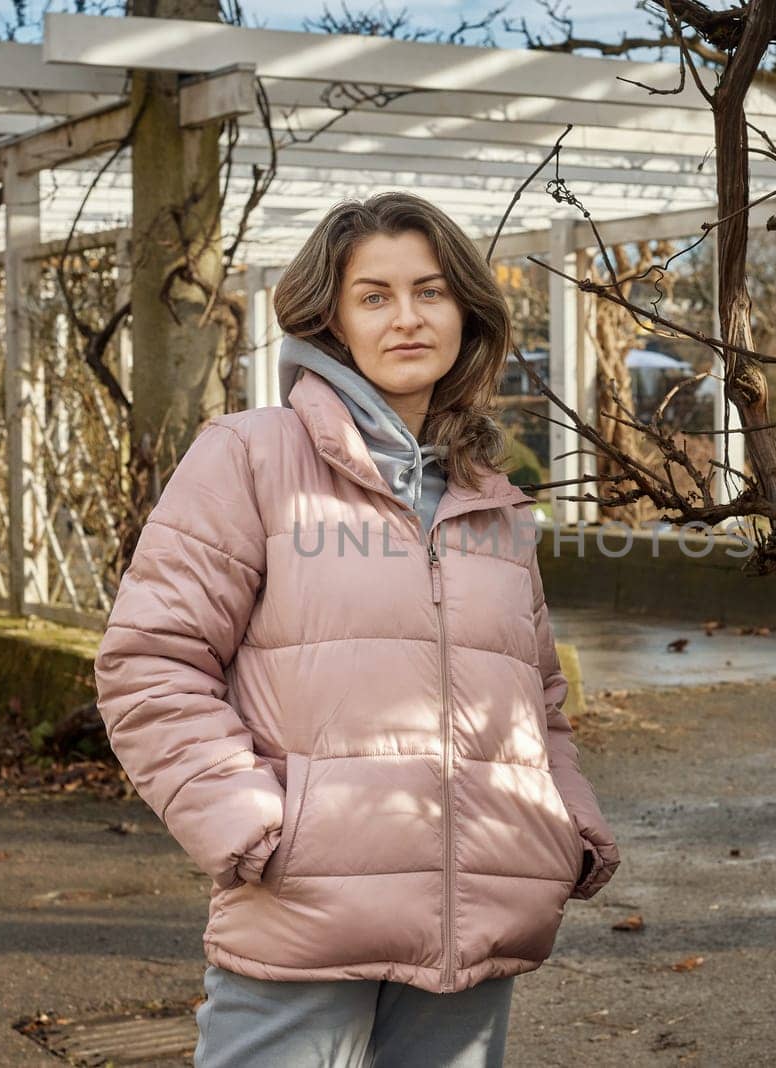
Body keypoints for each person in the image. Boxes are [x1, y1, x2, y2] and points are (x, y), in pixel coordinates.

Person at [93, 191, 620, 1068]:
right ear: (331, 321)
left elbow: (540, 700)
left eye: (431, 291)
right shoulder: (250, 455)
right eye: (374, 295)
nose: (407, 317)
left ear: (467, 312)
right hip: (306, 912)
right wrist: (255, 826)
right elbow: (151, 665)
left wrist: (565, 823)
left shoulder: (491, 497)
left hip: (477, 924)